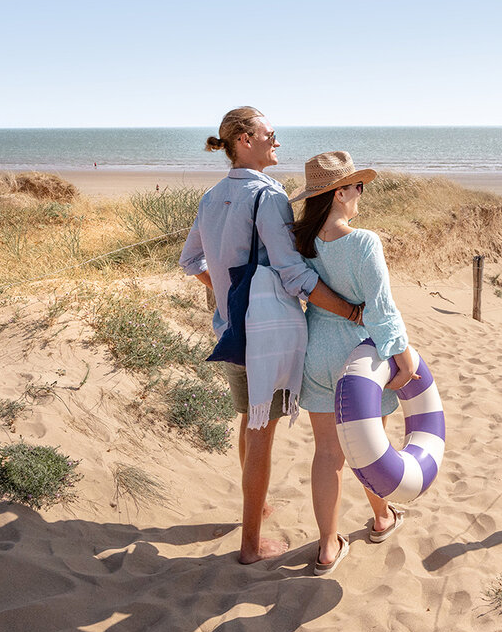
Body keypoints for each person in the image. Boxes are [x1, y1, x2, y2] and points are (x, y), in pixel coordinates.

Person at [179, 108, 363, 564]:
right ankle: (250, 544)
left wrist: (229, 293)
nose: (276, 142)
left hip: (231, 329)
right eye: (270, 135)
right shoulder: (269, 195)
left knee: (250, 418)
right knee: (261, 430)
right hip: (268, 334)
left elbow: (191, 262)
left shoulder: (211, 196)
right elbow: (291, 270)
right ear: (244, 140)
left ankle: (256, 507)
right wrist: (346, 310)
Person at [289, 151, 420, 575]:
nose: (361, 193)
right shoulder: (364, 241)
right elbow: (381, 309)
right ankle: (382, 519)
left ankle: (328, 547)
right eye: (356, 186)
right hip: (359, 355)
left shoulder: (300, 244)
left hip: (316, 348)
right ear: (339, 192)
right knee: (369, 449)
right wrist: (403, 355)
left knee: (327, 452)